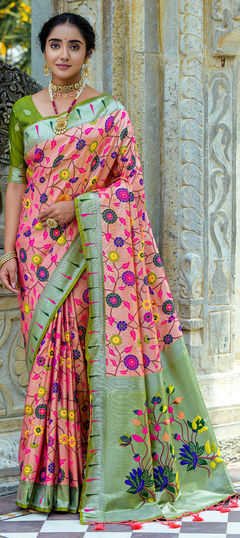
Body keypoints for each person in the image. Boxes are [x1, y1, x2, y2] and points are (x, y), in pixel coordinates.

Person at [0, 11, 235, 525]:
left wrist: (79, 203)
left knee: (86, 354)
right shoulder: (22, 112)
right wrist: (8, 249)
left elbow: (129, 186)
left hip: (88, 245)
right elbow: (16, 182)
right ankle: (50, 482)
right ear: (43, 51)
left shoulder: (109, 113)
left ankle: (95, 475)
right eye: (55, 45)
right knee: (49, 358)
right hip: (38, 252)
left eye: (75, 46)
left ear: (88, 53)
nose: (63, 55)